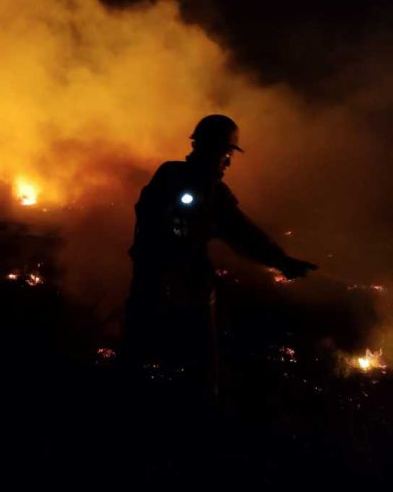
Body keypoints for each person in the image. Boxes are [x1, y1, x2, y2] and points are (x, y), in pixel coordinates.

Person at [124, 115, 317, 392]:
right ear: (211, 149)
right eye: (226, 152)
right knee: (182, 362)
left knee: (164, 356)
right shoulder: (175, 178)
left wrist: (281, 261)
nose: (228, 161)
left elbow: (244, 234)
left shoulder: (209, 190)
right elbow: (154, 222)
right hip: (166, 280)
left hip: (171, 280)